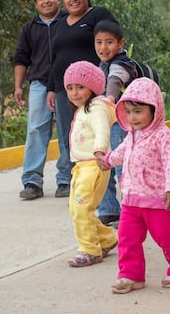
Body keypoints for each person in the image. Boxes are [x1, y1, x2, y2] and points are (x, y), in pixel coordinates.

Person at [96, 77, 170, 293]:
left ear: (154, 109)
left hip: (157, 200)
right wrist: (107, 161)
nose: (133, 118)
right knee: (127, 238)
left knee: (166, 237)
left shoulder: (163, 137)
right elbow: (121, 153)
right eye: (129, 111)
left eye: (139, 111)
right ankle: (131, 275)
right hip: (131, 198)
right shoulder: (132, 135)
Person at [46, 0, 116, 197]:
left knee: (98, 138)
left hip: (92, 91)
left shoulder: (98, 15)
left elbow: (111, 43)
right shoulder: (58, 23)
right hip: (64, 91)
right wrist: (51, 88)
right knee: (71, 138)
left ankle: (105, 194)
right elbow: (53, 57)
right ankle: (80, 186)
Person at [14, 0, 72, 200]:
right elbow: (21, 58)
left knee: (68, 131)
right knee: (36, 130)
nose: (46, 1)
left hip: (67, 84)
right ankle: (32, 181)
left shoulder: (69, 22)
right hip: (39, 84)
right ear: (36, 4)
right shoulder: (29, 29)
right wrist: (18, 86)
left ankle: (65, 179)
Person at [63, 61, 118, 267]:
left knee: (81, 209)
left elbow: (102, 129)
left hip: (94, 164)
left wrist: (100, 151)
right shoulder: (83, 109)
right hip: (81, 166)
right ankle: (106, 239)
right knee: (77, 208)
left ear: (93, 87)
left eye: (80, 87)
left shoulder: (97, 109)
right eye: (70, 88)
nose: (75, 93)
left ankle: (90, 250)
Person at [94, 19, 138, 226]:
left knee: (123, 167)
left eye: (109, 42)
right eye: (99, 42)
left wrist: (109, 99)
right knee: (103, 164)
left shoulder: (122, 63)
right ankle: (109, 209)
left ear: (120, 43)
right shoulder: (101, 64)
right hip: (105, 122)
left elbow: (115, 80)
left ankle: (132, 210)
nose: (103, 47)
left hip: (120, 123)